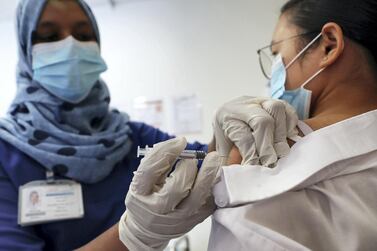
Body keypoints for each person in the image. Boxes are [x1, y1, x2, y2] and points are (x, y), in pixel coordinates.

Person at [0, 0, 297, 250]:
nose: (70, 47)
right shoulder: (6, 151)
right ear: (26, 48)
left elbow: (207, 164)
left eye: (82, 34)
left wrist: (228, 130)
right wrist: (131, 235)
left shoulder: (128, 136)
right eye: (50, 37)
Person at [118, 0, 377, 250]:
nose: (274, 74)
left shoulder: (259, 171)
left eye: (276, 53)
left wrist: (137, 236)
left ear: (329, 46)